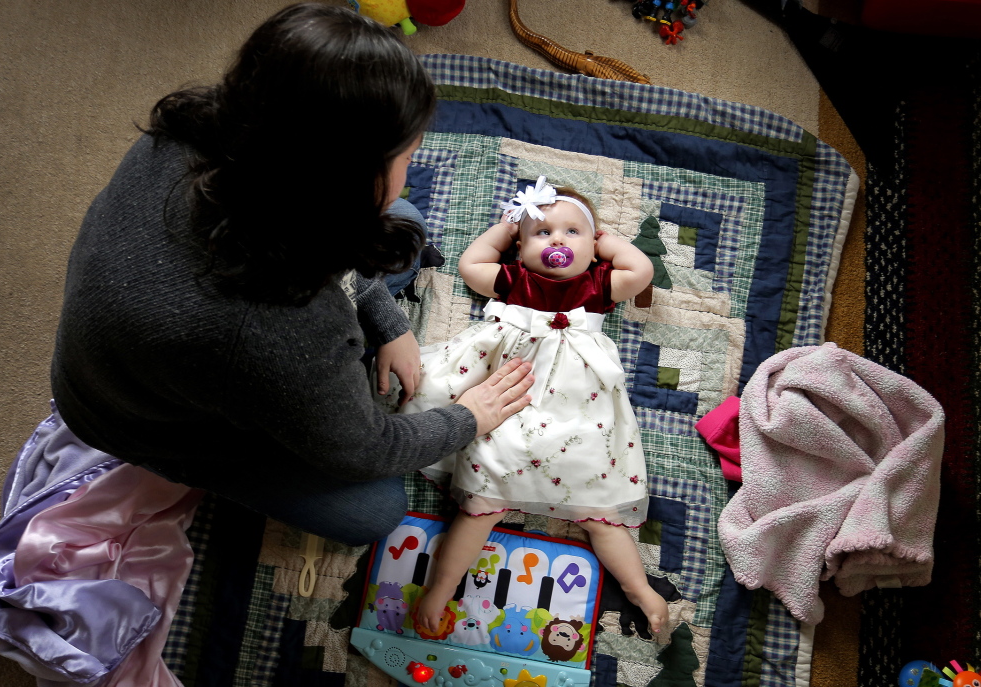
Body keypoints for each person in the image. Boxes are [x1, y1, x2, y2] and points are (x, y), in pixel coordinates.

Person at [49, 3, 534, 547]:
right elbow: (364, 449)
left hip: (136, 342)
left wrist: (386, 318)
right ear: (340, 183)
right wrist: (468, 416)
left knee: (405, 225)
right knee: (374, 510)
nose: (412, 164)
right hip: (136, 417)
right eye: (404, 155)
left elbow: (338, 257)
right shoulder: (280, 326)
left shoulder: (201, 132)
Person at [401, 176, 670, 635]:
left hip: (579, 420)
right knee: (481, 504)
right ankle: (441, 589)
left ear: (595, 246)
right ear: (521, 248)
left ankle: (642, 591)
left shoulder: (599, 284)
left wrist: (608, 239)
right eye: (541, 233)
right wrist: (504, 232)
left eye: (573, 232)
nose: (557, 241)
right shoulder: (513, 280)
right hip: (511, 409)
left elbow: (641, 272)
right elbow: (470, 265)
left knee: (601, 513)